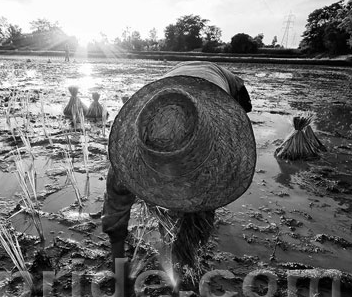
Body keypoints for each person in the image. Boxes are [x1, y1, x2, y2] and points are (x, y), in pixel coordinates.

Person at [101, 61, 256, 274]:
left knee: (200, 207)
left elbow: (208, 197)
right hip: (171, 87)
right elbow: (114, 207)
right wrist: (117, 259)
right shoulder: (126, 161)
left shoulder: (211, 160)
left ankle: (186, 258)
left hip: (224, 84)